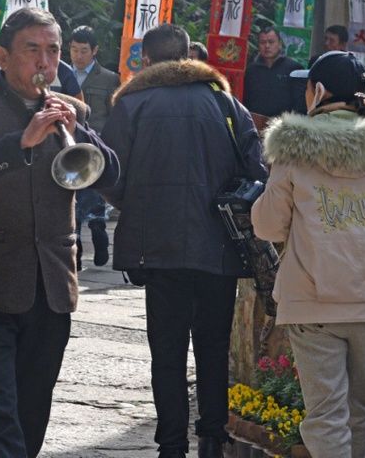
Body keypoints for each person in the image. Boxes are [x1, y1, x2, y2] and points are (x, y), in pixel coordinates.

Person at [0, 6, 119, 458]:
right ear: (3, 56)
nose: (45, 63)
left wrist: (81, 133)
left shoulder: (72, 109)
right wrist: (20, 142)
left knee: (34, 407)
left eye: (53, 51)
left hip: (52, 282)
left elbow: (112, 175)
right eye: (32, 50)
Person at [102, 24, 266, 458]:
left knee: (168, 351)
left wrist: (134, 205)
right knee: (214, 348)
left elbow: (110, 173)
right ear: (190, 55)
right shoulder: (226, 103)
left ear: (146, 61)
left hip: (158, 248)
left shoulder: (132, 103)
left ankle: (171, 445)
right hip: (220, 246)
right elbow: (258, 169)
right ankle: (213, 437)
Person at [252, 51, 365, 458]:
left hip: (315, 303)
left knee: (325, 414)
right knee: (360, 409)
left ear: (319, 91)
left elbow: (268, 227)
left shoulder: (294, 150)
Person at [69, 25, 120, 269]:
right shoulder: (61, 74)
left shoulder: (109, 79)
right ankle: (75, 244)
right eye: (74, 50)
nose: (78, 56)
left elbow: (115, 115)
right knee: (72, 192)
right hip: (68, 143)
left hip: (96, 143)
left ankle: (98, 228)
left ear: (95, 51)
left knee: (92, 190)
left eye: (84, 51)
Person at [243, 27, 304, 130]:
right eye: (263, 42)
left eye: (271, 42)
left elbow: (300, 104)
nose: (267, 46)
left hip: (284, 127)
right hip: (255, 126)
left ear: (280, 44)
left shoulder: (294, 69)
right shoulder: (251, 70)